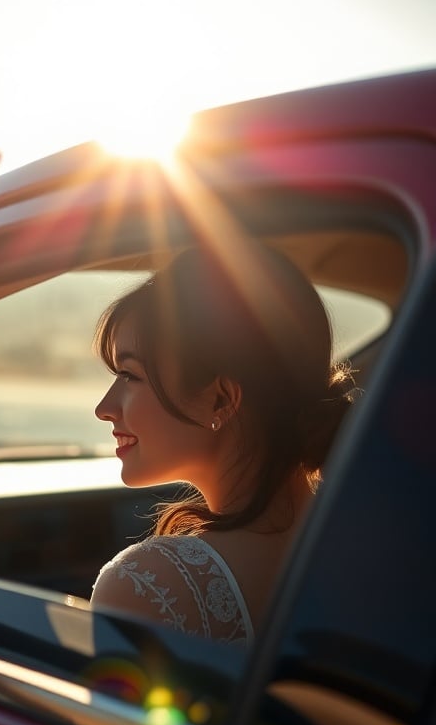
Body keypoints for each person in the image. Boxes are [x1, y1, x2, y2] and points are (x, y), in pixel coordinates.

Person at [90, 240, 356, 646]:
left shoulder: (146, 589)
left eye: (130, 376)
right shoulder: (380, 541)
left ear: (221, 399)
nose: (104, 408)